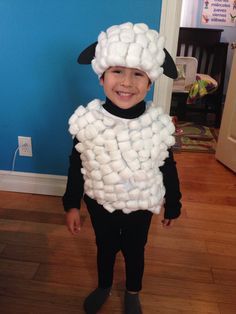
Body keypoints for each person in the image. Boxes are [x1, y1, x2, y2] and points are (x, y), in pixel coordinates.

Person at [63, 22, 182, 314]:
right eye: (117, 71)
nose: (127, 83)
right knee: (104, 247)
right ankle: (104, 284)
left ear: (150, 82)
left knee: (134, 249)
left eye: (138, 74)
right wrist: (72, 205)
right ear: (101, 78)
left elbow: (168, 166)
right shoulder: (88, 123)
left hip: (141, 204)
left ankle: (132, 290)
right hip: (99, 201)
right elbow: (76, 164)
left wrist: (174, 202)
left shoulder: (157, 125)